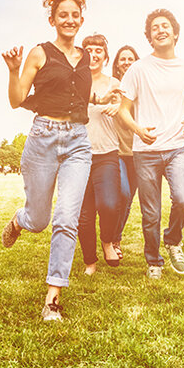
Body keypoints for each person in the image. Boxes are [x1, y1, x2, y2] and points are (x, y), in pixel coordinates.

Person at [0, 0, 95, 321]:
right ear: (53, 20)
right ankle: (20, 220)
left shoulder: (86, 58)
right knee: (39, 221)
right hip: (43, 139)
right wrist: (14, 70)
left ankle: (52, 298)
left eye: (75, 15)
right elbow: (16, 99)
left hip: (79, 143)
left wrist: (107, 98)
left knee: (67, 218)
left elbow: (81, 94)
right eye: (62, 15)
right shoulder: (39, 54)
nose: (69, 20)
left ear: (81, 20)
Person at [115, 9, 184, 280]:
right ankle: (154, 260)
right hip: (146, 152)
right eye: (154, 28)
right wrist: (138, 129)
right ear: (149, 37)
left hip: (177, 146)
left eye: (165, 26)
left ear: (175, 33)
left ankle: (173, 239)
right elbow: (123, 109)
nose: (160, 30)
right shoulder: (138, 69)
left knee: (183, 199)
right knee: (150, 213)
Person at [77, 34, 123, 275]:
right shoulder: (74, 82)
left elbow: (124, 110)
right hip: (78, 156)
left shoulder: (114, 83)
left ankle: (107, 240)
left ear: (105, 56)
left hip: (106, 153)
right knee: (83, 216)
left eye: (98, 50)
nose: (93, 54)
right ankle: (90, 261)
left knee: (109, 204)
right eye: (88, 50)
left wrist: (119, 106)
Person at [111, 45, 140, 258]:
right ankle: (110, 237)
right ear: (117, 63)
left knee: (128, 201)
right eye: (123, 59)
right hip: (116, 151)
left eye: (131, 58)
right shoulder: (113, 87)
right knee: (123, 193)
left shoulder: (143, 88)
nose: (127, 62)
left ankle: (115, 239)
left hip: (138, 152)